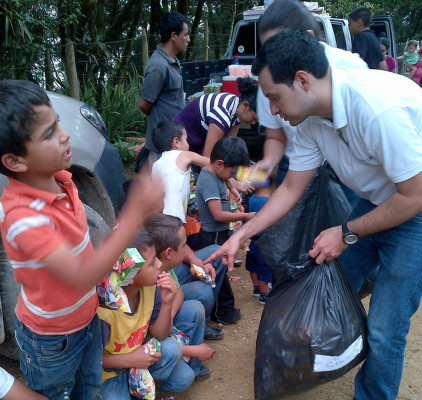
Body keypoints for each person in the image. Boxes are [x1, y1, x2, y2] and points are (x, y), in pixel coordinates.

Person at [206, 29, 422, 400]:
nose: (272, 111)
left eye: (274, 97)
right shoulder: (306, 119)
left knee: (386, 330)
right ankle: (315, 361)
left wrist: (346, 232)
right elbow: (290, 188)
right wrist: (241, 235)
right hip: (376, 199)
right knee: (323, 286)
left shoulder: (375, 108)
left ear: (303, 80)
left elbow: (415, 195)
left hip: (415, 209)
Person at [0, 80, 163, 399]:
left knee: (89, 389)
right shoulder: (23, 218)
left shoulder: (61, 180)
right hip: (52, 340)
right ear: (15, 162)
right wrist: (135, 212)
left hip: (86, 320)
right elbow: (81, 275)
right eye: (49, 133)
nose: (64, 135)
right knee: (58, 393)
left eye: (58, 123)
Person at [254, 0, 367, 198]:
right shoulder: (270, 80)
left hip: (348, 169)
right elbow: (275, 136)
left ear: (308, 39)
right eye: (267, 49)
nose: (272, 58)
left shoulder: (350, 68)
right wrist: (269, 161)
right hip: (295, 166)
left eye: (280, 46)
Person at [98, 230, 201, 399]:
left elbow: (160, 335)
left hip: (137, 361)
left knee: (177, 361)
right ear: (130, 274)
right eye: (153, 262)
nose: (160, 264)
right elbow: (91, 361)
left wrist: (167, 302)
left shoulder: (150, 288)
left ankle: (138, 390)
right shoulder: (104, 313)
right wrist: (130, 360)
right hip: (110, 373)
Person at [196, 137, 255, 324]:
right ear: (220, 163)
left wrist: (233, 188)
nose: (232, 176)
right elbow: (218, 215)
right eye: (232, 171)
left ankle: (222, 309)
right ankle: (222, 311)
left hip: (218, 233)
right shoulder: (209, 181)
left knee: (220, 272)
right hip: (212, 236)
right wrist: (246, 217)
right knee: (217, 274)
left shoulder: (216, 173)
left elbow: (226, 177)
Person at [145, 212, 227, 340]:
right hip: (153, 335)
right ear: (168, 253)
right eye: (183, 246)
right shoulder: (149, 279)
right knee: (197, 303)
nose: (186, 250)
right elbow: (159, 333)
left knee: (216, 253)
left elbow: (178, 292)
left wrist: (170, 316)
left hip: (163, 318)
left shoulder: (165, 268)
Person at [139, 12, 190, 164]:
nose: (188, 39)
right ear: (174, 36)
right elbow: (144, 104)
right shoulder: (158, 66)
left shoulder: (172, 60)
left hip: (173, 141)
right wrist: (160, 119)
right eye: (185, 35)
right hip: (161, 146)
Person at [173, 77, 258, 157]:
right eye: (254, 118)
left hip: (194, 146)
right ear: (245, 105)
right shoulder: (222, 113)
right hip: (177, 146)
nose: (254, 122)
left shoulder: (236, 108)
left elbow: (228, 148)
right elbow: (208, 158)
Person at [152, 120, 209, 223]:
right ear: (176, 142)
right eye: (186, 140)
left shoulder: (156, 165)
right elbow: (212, 164)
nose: (188, 144)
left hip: (159, 217)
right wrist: (232, 185)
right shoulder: (185, 155)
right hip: (175, 217)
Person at [245, 172, 276, 305]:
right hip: (265, 242)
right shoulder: (268, 202)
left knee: (253, 267)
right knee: (264, 269)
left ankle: (256, 288)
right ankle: (264, 295)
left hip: (253, 241)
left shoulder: (253, 198)